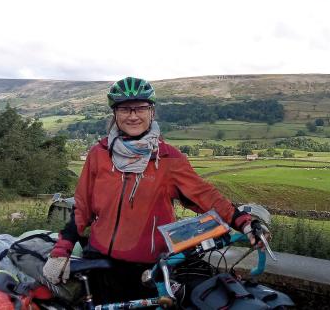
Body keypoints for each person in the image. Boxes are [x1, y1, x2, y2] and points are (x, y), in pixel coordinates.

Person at [42, 76, 262, 303]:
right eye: (125, 109)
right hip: (101, 262)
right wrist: (62, 249)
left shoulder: (168, 158)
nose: (133, 115)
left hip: (150, 268)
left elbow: (204, 195)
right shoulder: (99, 154)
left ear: (152, 112)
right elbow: (82, 208)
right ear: (115, 114)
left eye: (140, 108)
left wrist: (242, 221)